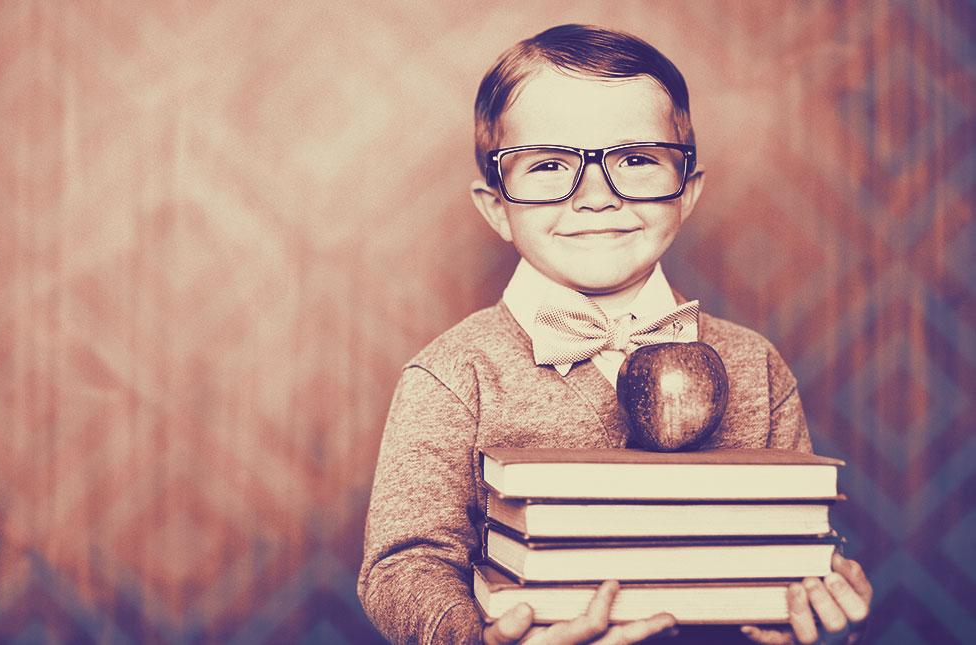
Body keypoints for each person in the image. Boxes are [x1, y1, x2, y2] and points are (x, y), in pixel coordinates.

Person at [358, 24, 872, 644]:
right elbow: (403, 565)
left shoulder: (755, 364)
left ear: (686, 191)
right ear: (496, 205)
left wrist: (814, 615)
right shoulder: (451, 374)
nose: (597, 196)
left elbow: (794, 542)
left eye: (635, 159)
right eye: (549, 164)